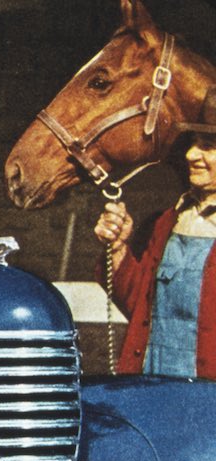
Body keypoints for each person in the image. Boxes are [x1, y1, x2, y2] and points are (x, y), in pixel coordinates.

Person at [94, 87, 216, 378]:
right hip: (154, 385)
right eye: (192, 143)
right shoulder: (167, 222)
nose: (191, 154)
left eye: (208, 145)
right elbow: (141, 309)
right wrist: (119, 248)